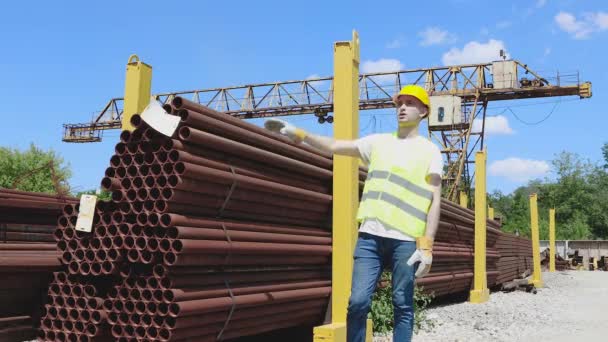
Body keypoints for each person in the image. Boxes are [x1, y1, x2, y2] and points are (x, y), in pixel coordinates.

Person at [264, 84, 442, 342]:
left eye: (410, 103)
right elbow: (336, 145)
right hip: (370, 237)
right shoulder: (378, 142)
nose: (402, 107)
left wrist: (427, 245)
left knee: (402, 303)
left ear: (424, 111)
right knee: (357, 302)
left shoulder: (430, 151)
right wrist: (300, 134)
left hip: (406, 240)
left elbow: (434, 199)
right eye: (399, 103)